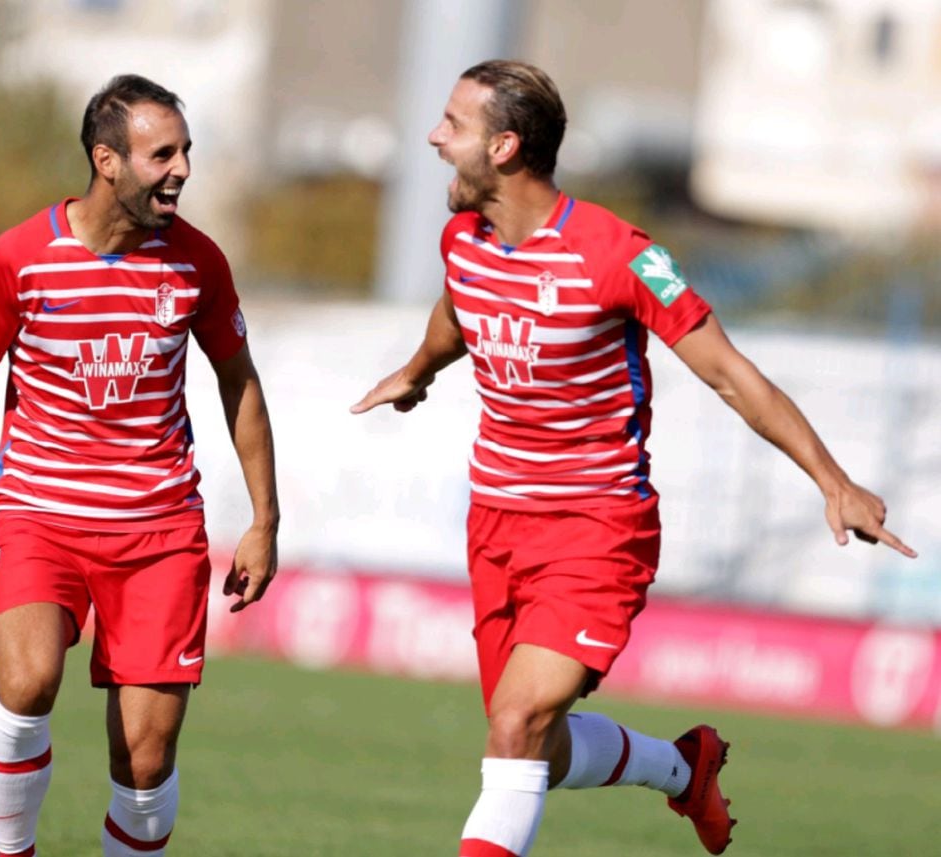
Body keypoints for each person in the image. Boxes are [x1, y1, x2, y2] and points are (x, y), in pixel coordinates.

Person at [351, 60, 916, 857]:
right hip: (495, 523)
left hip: (594, 528)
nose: (435, 137)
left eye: (454, 124)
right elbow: (457, 308)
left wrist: (834, 481)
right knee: (531, 747)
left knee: (515, 727)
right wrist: (417, 370)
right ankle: (684, 768)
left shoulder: (620, 253)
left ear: (505, 147)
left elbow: (729, 374)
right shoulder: (463, 240)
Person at [0, 74, 279, 857]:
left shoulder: (198, 265)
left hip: (158, 534)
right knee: (26, 683)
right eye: (163, 153)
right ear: (107, 160)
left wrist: (264, 519)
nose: (182, 168)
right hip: (39, 516)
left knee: (145, 763)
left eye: (186, 150)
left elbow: (238, 381)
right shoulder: (18, 257)